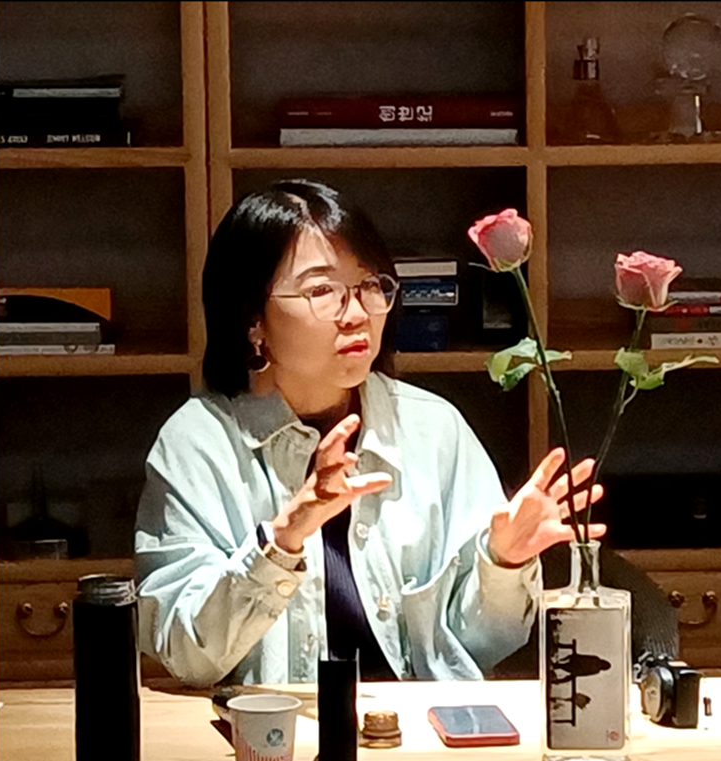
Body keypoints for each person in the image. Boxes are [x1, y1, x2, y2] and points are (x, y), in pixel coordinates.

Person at [134, 179, 605, 688]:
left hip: (418, 727)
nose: (357, 314)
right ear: (253, 319)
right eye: (321, 291)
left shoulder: (433, 429)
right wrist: (283, 539)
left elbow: (478, 647)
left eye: (370, 286)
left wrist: (503, 562)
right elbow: (188, 656)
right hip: (274, 729)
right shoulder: (197, 444)